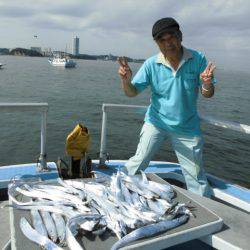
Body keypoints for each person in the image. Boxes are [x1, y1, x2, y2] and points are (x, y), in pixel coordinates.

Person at [117, 17, 216, 197]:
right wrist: (126, 80)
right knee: (137, 162)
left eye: (172, 37)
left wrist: (207, 83)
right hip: (156, 122)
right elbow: (132, 92)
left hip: (186, 127)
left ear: (180, 37)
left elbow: (207, 93)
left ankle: (207, 210)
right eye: (162, 40)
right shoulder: (151, 64)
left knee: (196, 178)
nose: (168, 43)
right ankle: (116, 189)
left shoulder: (198, 59)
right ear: (157, 43)